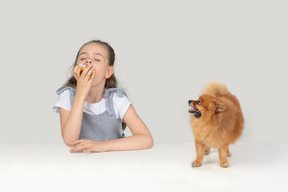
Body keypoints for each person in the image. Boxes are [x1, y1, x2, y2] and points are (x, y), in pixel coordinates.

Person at [53, 40, 153, 153]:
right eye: (83, 58)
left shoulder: (116, 99)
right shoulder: (67, 95)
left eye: (97, 59)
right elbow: (70, 140)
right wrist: (81, 93)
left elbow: (146, 139)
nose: (88, 60)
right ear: (76, 68)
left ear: (108, 72)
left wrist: (102, 146)